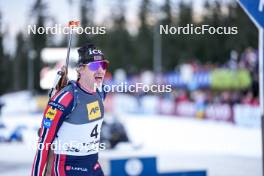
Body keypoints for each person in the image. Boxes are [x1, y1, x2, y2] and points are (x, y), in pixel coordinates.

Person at [32, 43, 109, 176]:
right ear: (80, 69)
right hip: (69, 168)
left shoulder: (100, 92)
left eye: (103, 65)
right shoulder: (66, 97)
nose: (100, 70)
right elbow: (44, 142)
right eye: (94, 66)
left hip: (93, 165)